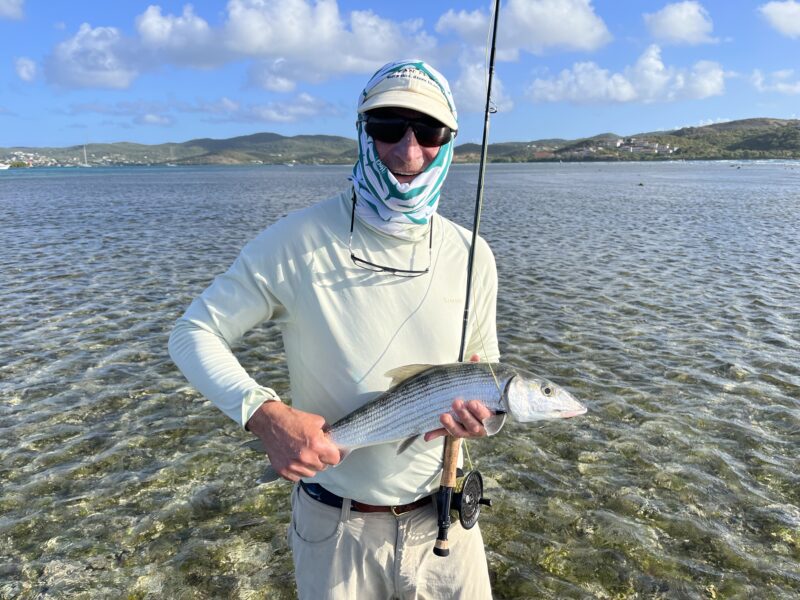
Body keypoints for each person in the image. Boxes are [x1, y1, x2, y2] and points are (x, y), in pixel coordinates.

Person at [169, 59, 500, 599]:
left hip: (446, 525)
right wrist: (263, 414)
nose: (408, 151)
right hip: (335, 529)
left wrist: (482, 421)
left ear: (450, 140)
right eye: (388, 126)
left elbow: (485, 372)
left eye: (429, 131)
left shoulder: (474, 255)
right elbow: (192, 333)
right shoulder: (295, 240)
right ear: (363, 132)